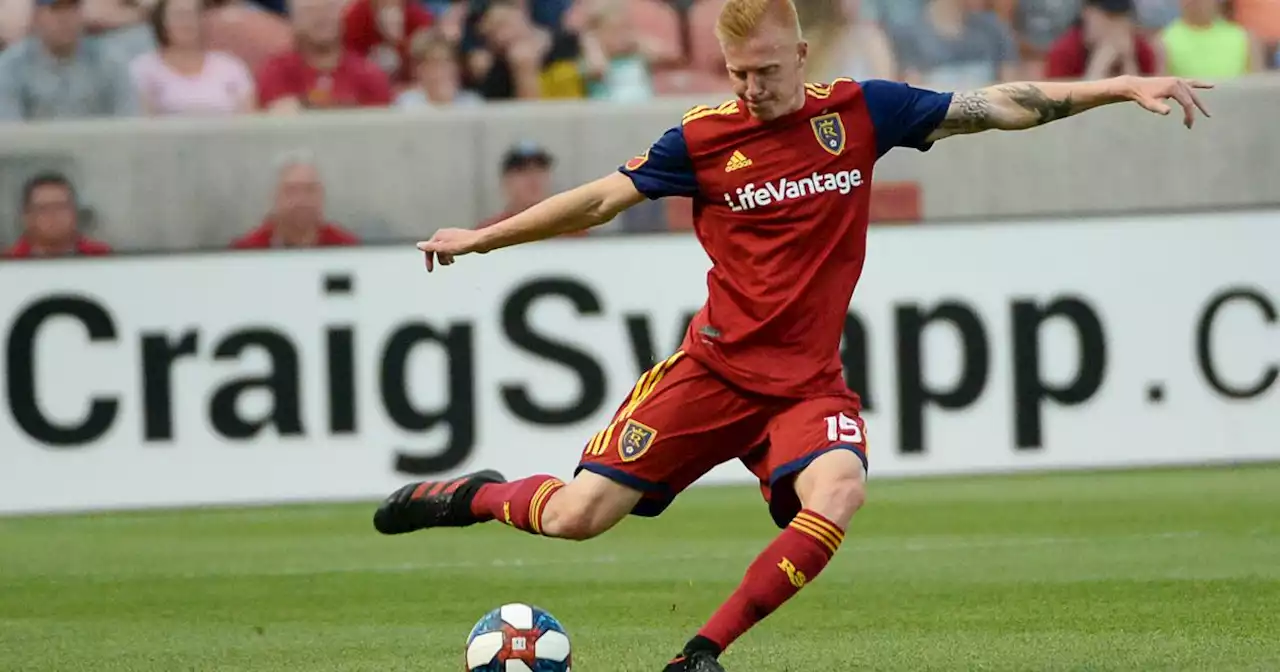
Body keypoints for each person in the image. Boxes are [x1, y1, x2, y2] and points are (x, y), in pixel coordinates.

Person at [373, 0, 1211, 669]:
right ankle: (473, 494)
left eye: (767, 71)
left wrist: (1118, 87)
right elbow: (597, 200)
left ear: (802, 57)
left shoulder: (862, 112)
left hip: (806, 383)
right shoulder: (702, 139)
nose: (753, 89)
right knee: (577, 519)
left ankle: (700, 653)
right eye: (739, 73)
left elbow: (994, 106)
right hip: (713, 371)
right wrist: (482, 237)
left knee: (840, 491)